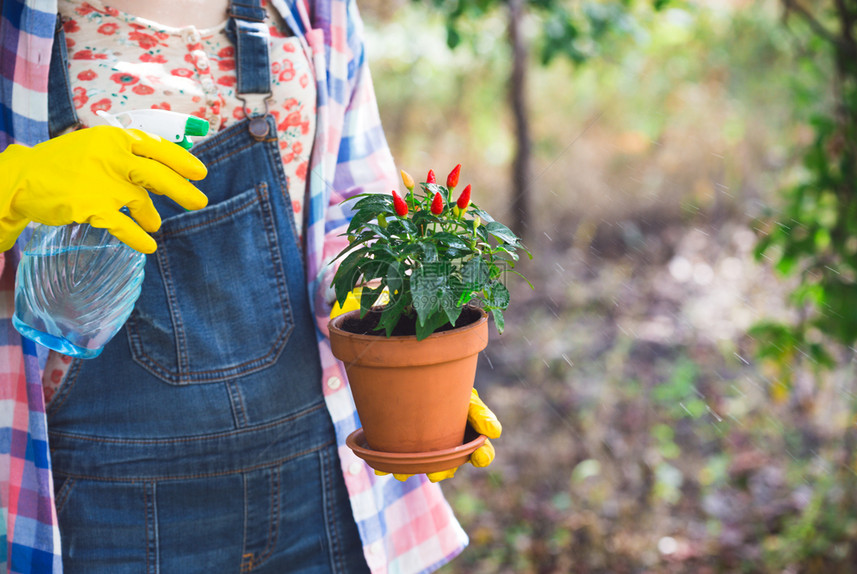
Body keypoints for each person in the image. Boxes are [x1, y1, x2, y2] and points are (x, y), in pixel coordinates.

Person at [0, 0, 502, 572]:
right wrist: (12, 187)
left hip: (315, 476)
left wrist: (397, 340)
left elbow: (352, 201)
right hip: (102, 497)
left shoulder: (315, 10)